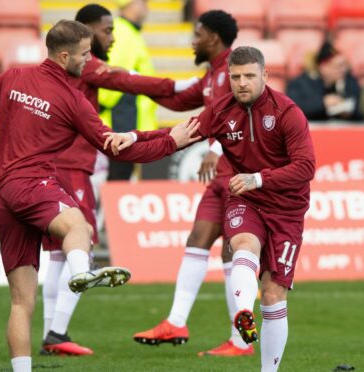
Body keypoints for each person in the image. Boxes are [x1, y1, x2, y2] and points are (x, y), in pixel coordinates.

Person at [0, 20, 201, 372]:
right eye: (84, 54)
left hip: (0, 194)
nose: (88, 60)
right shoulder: (71, 100)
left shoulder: (12, 78)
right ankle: (82, 271)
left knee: (20, 302)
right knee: (80, 226)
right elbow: (115, 148)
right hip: (33, 186)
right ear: (64, 56)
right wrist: (172, 141)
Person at [109, 46, 315, 372]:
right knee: (243, 244)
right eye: (235, 77)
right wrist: (133, 137)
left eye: (249, 76)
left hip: (286, 209)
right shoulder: (220, 110)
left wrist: (258, 178)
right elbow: (172, 138)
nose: (242, 83)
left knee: (274, 295)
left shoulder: (287, 112)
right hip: (244, 198)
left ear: (265, 75)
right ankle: (243, 312)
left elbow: (305, 167)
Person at [40, 3, 195, 356]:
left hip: (56, 163)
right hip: (71, 166)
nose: (112, 37)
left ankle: (53, 334)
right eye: (107, 30)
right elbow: (126, 79)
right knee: (80, 242)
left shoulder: (56, 67)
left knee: (58, 255)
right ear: (87, 30)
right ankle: (56, 333)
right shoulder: (86, 63)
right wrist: (182, 84)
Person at [133, 10, 255, 357]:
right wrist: (122, 80)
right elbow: (174, 98)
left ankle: (240, 341)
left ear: (213, 37)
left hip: (239, 176)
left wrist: (215, 147)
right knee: (198, 238)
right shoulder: (213, 74)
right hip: (221, 178)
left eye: (197, 33)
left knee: (234, 249)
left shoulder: (236, 70)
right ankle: (175, 321)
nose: (192, 40)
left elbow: (246, 112)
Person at [98, 0, 158, 181]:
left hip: (125, 123)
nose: (147, 7)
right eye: (143, 2)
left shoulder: (128, 32)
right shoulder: (125, 33)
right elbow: (111, 76)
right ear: (130, 4)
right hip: (121, 124)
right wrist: (100, 106)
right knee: (116, 182)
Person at [287, 41, 363, 121]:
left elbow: (361, 108)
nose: (343, 70)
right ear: (323, 67)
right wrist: (323, 103)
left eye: (344, 65)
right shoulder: (301, 84)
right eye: (338, 66)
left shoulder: (349, 81)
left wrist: (350, 112)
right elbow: (294, 110)